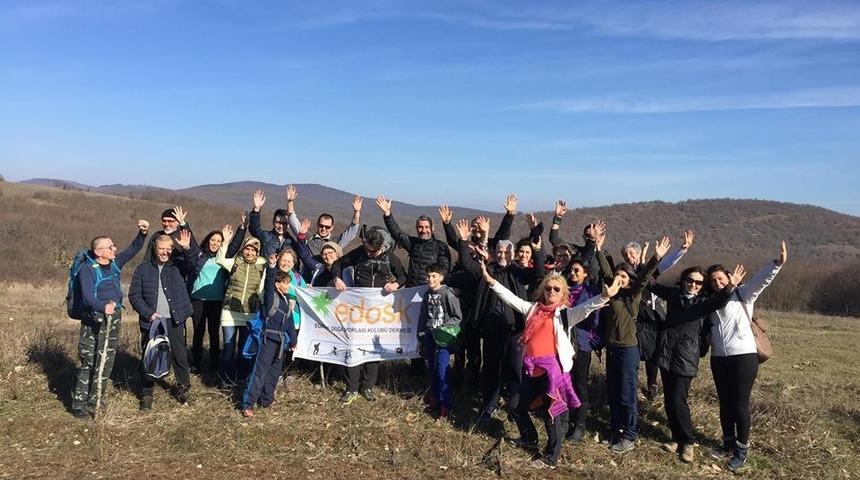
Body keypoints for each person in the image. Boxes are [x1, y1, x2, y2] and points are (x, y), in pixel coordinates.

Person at [479, 260, 620, 467]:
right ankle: (529, 438)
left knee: (551, 415)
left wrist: (604, 296)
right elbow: (510, 298)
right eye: (548, 288)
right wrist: (491, 282)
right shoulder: (532, 309)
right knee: (516, 405)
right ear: (542, 291)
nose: (551, 291)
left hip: (554, 372)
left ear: (563, 294)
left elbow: (585, 309)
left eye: (556, 289)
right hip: (532, 370)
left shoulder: (564, 314)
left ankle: (551, 457)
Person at [647, 264, 745, 463]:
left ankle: (688, 442)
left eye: (698, 283)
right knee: (669, 400)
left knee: (678, 400)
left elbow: (721, 300)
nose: (693, 285)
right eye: (690, 280)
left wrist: (730, 286)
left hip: (686, 356)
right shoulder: (674, 295)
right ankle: (676, 438)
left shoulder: (704, 302)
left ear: (703, 286)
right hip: (666, 353)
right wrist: (654, 260)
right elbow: (650, 284)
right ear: (683, 280)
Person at [706, 241, 787, 472]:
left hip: (743, 357)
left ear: (729, 277)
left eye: (721, 278)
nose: (717, 283)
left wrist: (777, 264)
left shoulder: (743, 294)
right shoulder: (711, 302)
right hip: (718, 358)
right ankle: (727, 443)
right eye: (713, 281)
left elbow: (761, 281)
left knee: (739, 404)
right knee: (724, 403)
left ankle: (741, 450)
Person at [454, 217, 542, 422]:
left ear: (512, 255)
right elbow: (467, 264)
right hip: (492, 329)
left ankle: (514, 405)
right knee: (491, 368)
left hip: (515, 330)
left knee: (514, 369)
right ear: (494, 253)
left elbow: (538, 272)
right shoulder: (488, 270)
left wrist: (537, 246)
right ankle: (489, 404)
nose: (502, 255)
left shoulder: (518, 273)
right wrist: (463, 241)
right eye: (500, 252)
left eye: (506, 252)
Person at [594, 224, 667, 453]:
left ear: (630, 280)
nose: (619, 278)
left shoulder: (632, 295)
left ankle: (630, 434)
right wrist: (598, 249)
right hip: (612, 349)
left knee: (627, 394)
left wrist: (655, 258)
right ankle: (616, 429)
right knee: (614, 392)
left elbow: (643, 279)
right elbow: (606, 271)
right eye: (617, 275)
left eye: (624, 276)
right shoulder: (612, 294)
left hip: (628, 349)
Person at [71, 220, 149, 418]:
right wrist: (102, 306)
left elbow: (133, 249)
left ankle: (96, 399)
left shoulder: (114, 263)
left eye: (114, 246)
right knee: (89, 360)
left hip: (113, 318)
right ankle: (79, 405)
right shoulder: (87, 269)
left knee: (106, 360)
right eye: (110, 247)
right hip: (94, 319)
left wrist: (142, 233)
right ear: (99, 252)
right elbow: (88, 296)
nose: (115, 249)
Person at [330, 227, 407, 403]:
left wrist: (396, 285)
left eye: (372, 252)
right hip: (357, 308)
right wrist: (337, 279)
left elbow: (403, 276)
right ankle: (351, 388)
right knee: (354, 345)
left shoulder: (389, 257)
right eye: (366, 249)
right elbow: (337, 264)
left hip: (378, 311)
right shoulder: (359, 253)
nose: (368, 253)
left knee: (373, 347)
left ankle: (368, 387)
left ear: (381, 247)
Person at [622, 230, 694, 402]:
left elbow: (665, 264)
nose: (628, 257)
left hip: (653, 318)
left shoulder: (647, 270)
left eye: (631, 253)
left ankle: (652, 385)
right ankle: (631, 385)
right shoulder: (624, 273)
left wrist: (682, 250)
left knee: (654, 354)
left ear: (638, 253)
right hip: (636, 318)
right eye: (625, 255)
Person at [128, 231, 196, 410]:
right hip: (152, 321)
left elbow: (194, 264)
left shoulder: (178, 266)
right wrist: (148, 313)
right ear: (154, 249)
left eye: (169, 249)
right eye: (161, 249)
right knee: (149, 356)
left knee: (179, 356)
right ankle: (146, 393)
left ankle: (183, 388)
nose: (165, 252)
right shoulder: (142, 270)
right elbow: (134, 295)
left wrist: (187, 248)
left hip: (174, 319)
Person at [239, 255, 299, 417]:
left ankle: (266, 399)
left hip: (281, 343)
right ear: (277, 284)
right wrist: (272, 267)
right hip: (267, 341)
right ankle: (248, 403)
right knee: (259, 372)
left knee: (273, 372)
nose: (288, 285)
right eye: (285, 283)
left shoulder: (286, 302)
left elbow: (290, 323)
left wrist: (293, 341)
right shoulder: (270, 297)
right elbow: (268, 281)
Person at [187, 219, 246, 372]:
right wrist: (183, 223)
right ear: (208, 240)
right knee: (198, 331)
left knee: (214, 332)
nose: (215, 243)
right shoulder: (200, 255)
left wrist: (242, 228)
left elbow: (235, 245)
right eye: (213, 240)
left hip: (216, 300)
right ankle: (196, 363)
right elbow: (191, 242)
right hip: (198, 299)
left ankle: (214, 364)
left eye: (219, 241)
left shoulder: (224, 257)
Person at [216, 225, 267, 384]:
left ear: (257, 252)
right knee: (228, 347)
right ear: (243, 249)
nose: (249, 253)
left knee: (244, 348)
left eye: (253, 250)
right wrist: (225, 242)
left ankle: (241, 378)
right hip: (229, 311)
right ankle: (225, 380)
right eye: (247, 249)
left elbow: (262, 290)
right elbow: (220, 260)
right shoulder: (235, 263)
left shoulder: (262, 267)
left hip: (249, 313)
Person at [564, 257, 602, 442]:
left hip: (581, 343)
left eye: (577, 270)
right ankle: (565, 418)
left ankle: (580, 424)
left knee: (580, 383)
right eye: (571, 270)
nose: (572, 273)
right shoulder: (563, 290)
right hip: (563, 341)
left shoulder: (590, 292)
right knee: (565, 381)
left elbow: (595, 319)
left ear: (585, 273)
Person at [417, 263, 462, 420]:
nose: (430, 279)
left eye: (434, 276)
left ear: (441, 278)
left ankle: (445, 405)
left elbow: (457, 316)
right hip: (429, 336)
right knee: (432, 368)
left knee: (442, 369)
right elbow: (423, 317)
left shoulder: (448, 293)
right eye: (428, 276)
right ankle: (435, 399)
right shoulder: (427, 295)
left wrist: (444, 329)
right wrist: (421, 336)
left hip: (443, 338)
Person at [376, 195, 451, 287]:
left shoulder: (440, 246)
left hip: (430, 289)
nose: (424, 230)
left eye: (427, 227)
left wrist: (436, 285)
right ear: (416, 228)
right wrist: (387, 214)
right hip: (412, 289)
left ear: (432, 228)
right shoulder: (413, 244)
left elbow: (445, 269)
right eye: (420, 227)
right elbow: (396, 233)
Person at [290, 193, 362, 257]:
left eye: (327, 227)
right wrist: (290, 202)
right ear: (317, 225)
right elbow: (294, 222)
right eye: (321, 226)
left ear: (331, 228)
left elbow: (351, 231)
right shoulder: (308, 238)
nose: (323, 229)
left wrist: (357, 212)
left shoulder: (336, 242)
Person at [248, 187, 302, 259]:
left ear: (288, 225)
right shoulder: (266, 237)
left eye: (284, 223)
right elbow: (254, 229)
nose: (281, 226)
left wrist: (290, 202)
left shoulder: (291, 242)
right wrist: (256, 210)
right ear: (273, 223)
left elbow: (296, 261)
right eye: (278, 222)